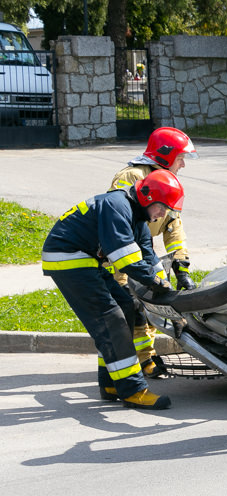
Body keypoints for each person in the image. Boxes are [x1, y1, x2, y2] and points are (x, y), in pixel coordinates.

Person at [41, 171, 183, 409]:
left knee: (127, 305)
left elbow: (147, 255)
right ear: (149, 198)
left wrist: (165, 286)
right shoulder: (118, 206)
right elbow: (124, 258)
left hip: (83, 259)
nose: (163, 214)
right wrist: (155, 284)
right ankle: (133, 391)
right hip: (67, 258)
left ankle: (110, 383)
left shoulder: (136, 216)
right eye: (162, 207)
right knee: (111, 319)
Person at [109, 127, 198, 378]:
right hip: (120, 258)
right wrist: (131, 269)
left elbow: (173, 225)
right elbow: (118, 223)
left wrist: (181, 265)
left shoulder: (169, 180)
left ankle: (143, 359)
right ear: (166, 155)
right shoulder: (131, 176)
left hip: (145, 254)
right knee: (130, 309)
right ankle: (129, 365)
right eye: (180, 158)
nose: (183, 165)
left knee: (152, 308)